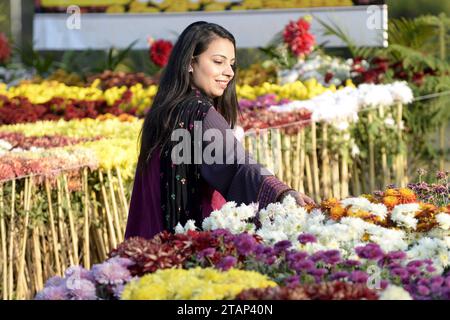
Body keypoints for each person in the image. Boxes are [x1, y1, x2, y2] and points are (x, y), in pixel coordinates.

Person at [125, 21, 314, 239]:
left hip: (149, 247)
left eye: (232, 64)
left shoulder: (163, 112)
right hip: (186, 250)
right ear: (189, 63)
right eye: (218, 62)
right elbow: (237, 166)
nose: (229, 72)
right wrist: (281, 194)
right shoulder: (200, 113)